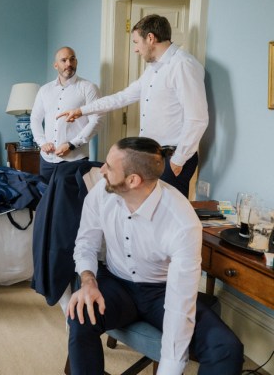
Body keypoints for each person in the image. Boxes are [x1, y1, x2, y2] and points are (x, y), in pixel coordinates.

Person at [67, 136, 243, 374]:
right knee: (81, 316)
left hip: (162, 291)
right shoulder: (101, 193)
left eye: (109, 166)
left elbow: (179, 305)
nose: (101, 170)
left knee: (226, 347)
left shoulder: (182, 222)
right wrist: (88, 281)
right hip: (116, 283)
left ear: (133, 180)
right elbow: (86, 242)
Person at [57, 14, 209, 198]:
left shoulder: (183, 65)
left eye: (136, 42)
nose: (135, 49)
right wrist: (81, 111)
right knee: (147, 214)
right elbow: (122, 97)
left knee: (167, 218)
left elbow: (197, 119)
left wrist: (178, 161)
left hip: (173, 157)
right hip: (151, 157)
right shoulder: (153, 69)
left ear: (151, 38)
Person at [30, 46, 103, 183]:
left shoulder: (88, 88)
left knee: (72, 201)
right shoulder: (44, 90)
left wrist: (71, 145)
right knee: (46, 198)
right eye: (64, 60)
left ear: (76, 62)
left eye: (72, 59)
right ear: (55, 65)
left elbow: (97, 121)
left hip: (75, 160)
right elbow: (35, 118)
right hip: (47, 159)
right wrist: (42, 143)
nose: (69, 64)